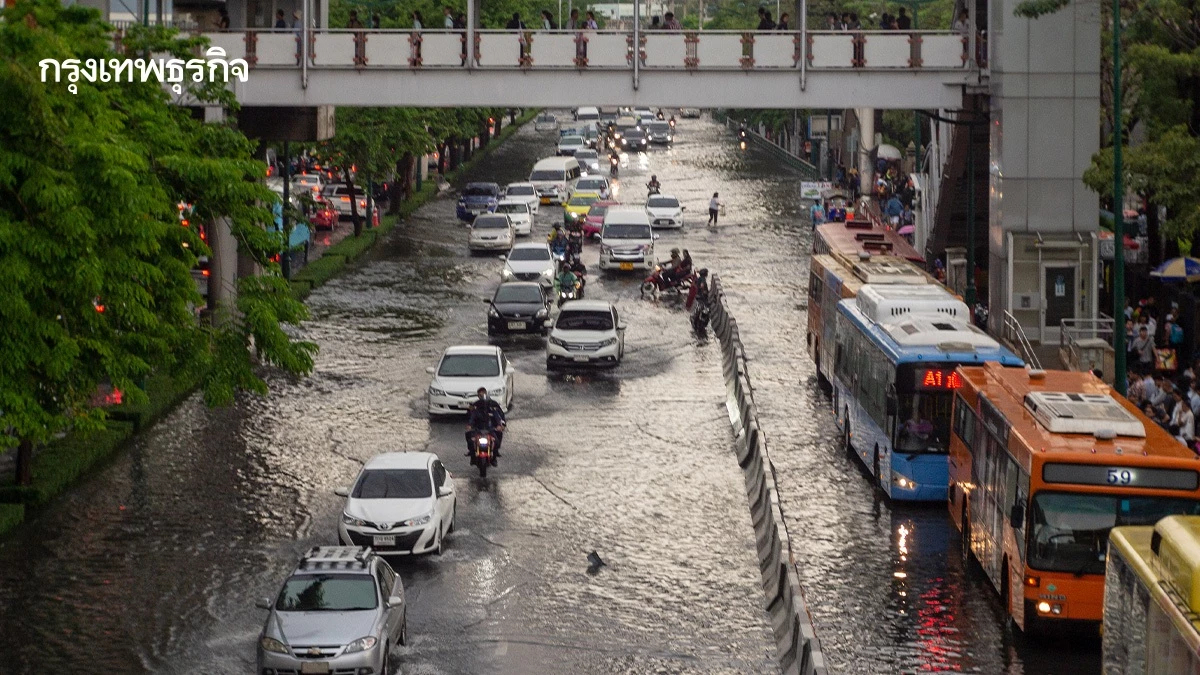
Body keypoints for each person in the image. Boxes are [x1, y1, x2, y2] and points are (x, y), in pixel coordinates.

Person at [466, 387, 506, 460]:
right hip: (478, 429)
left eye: (482, 395)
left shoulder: (493, 405)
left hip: (490, 429)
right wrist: (469, 425)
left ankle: (494, 455)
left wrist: (500, 425)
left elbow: (499, 416)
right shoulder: (476, 407)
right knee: (470, 438)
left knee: (497, 440)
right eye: (480, 396)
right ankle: (472, 455)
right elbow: (471, 416)